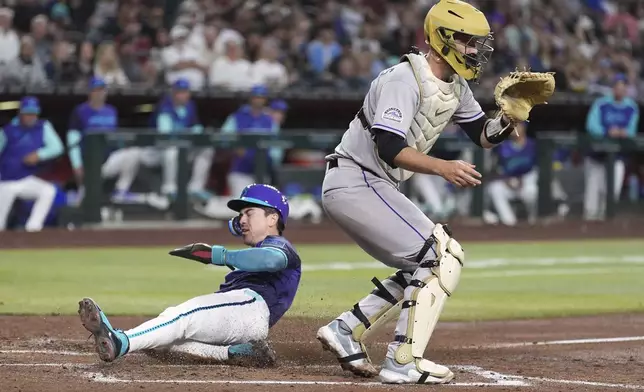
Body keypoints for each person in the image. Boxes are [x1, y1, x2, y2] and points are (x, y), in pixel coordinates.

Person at [316, 0, 521, 385]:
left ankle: (346, 329)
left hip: (371, 183)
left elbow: (482, 136)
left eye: (477, 43)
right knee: (443, 256)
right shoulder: (404, 78)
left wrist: (510, 119)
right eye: (467, 42)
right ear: (443, 39)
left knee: (426, 262)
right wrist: (444, 167)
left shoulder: (455, 86)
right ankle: (403, 360)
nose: (475, 51)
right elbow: (389, 147)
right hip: (356, 180)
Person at [78, 184, 301, 367]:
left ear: (272, 219)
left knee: (180, 316)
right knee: (161, 343)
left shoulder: (279, 245)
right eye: (240, 215)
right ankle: (238, 353)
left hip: (249, 307)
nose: (241, 220)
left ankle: (121, 341)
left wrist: (220, 256)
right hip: (245, 321)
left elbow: (272, 259)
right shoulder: (257, 251)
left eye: (249, 213)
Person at [67, 76, 141, 203]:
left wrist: (123, 146)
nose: (99, 93)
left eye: (101, 90)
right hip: (89, 163)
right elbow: (72, 139)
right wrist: (77, 165)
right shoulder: (80, 111)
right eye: (95, 90)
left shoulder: (111, 111)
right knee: (81, 201)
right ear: (90, 92)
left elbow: (114, 137)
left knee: (134, 153)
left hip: (109, 160)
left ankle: (121, 191)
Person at [140, 78, 214, 202]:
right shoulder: (164, 107)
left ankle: (196, 188)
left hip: (182, 148)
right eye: (179, 92)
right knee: (171, 150)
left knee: (207, 149)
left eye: (185, 92)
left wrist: (196, 131)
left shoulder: (190, 106)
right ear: (173, 94)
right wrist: (188, 132)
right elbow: (166, 134)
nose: (183, 95)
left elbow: (196, 127)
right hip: (156, 151)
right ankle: (169, 189)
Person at [0, 96, 64, 232]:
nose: (31, 117)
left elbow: (57, 147)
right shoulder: (7, 131)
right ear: (21, 113)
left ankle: (33, 229)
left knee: (48, 190)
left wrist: (39, 155)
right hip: (5, 181)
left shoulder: (43, 127)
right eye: (27, 113)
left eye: (33, 113)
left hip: (25, 179)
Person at [584, 75, 639, 221]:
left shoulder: (631, 106)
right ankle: (588, 224)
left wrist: (623, 132)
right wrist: (606, 131)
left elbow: (632, 130)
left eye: (623, 87)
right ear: (613, 88)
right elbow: (591, 126)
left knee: (611, 193)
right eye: (617, 86)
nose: (620, 90)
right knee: (593, 194)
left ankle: (606, 226)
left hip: (617, 156)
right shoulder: (601, 103)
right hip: (597, 154)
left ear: (626, 89)